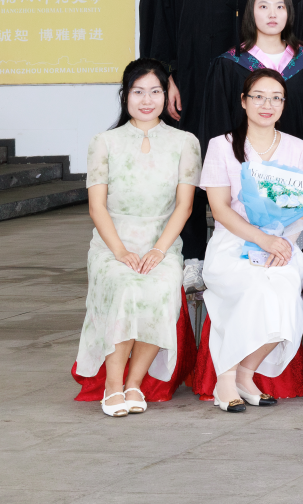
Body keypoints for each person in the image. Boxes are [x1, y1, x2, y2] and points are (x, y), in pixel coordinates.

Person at [138, 0, 271, 290]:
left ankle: (244, 248)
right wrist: (166, 79)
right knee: (191, 167)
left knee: (242, 163)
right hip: (188, 85)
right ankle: (193, 254)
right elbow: (156, 29)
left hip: (239, 84)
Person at [76, 60, 201, 416]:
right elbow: (97, 207)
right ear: (125, 95)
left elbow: (184, 206)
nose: (147, 100)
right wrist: (119, 251)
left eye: (155, 92)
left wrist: (160, 250)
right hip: (112, 243)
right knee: (127, 287)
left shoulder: (186, 142)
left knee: (160, 290)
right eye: (138, 92)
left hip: (162, 242)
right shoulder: (104, 142)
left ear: (166, 95)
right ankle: (113, 386)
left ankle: (134, 382)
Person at [198, 69, 303, 413]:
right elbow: (219, 209)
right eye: (258, 96)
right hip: (233, 243)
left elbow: (299, 209)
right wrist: (260, 239)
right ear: (244, 101)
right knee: (255, 289)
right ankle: (225, 379)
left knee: (287, 294)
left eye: (276, 98)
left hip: (280, 245)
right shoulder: (222, 145)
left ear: (284, 105)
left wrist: (284, 245)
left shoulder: (297, 148)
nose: (267, 104)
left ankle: (246, 375)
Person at [200, 0, 303, 153]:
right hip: (242, 162)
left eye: (280, 7)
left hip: (295, 163)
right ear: (250, 13)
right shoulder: (229, 64)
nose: (272, 14)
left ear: (289, 12)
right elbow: (217, 123)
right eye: (264, 7)